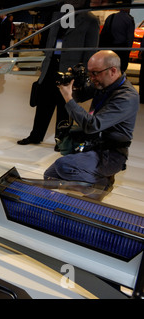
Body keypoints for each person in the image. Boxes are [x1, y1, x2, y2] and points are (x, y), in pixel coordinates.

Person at [44, 50, 139, 197]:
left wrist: (68, 98)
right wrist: (73, 84)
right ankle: (85, 188)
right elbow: (80, 96)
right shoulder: (103, 83)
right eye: (89, 73)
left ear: (113, 70)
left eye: (95, 73)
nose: (92, 78)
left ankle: (100, 184)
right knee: (50, 177)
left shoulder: (127, 97)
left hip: (110, 154)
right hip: (93, 145)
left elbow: (91, 125)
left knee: (63, 166)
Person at [17, 0, 99, 148]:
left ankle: (62, 140)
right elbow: (49, 41)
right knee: (43, 103)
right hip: (51, 66)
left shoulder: (90, 20)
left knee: (65, 106)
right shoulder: (57, 15)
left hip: (70, 70)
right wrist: (45, 63)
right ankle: (36, 135)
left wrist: (83, 74)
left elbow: (90, 50)